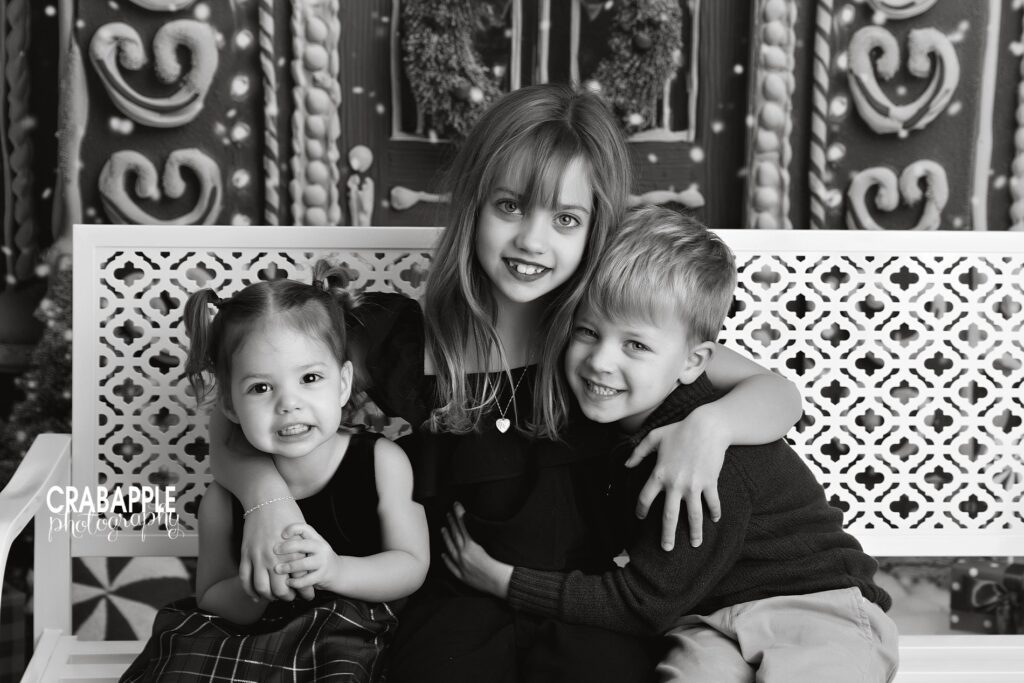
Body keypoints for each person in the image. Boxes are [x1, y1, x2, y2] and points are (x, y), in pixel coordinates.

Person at [210, 84, 803, 682]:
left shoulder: (599, 346)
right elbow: (238, 407)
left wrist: (711, 426)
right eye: (510, 207)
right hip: (452, 596)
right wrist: (267, 502)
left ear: (595, 228)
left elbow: (779, 394)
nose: (531, 242)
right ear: (474, 203)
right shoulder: (397, 340)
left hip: (586, 601)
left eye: (566, 218)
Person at [443, 204, 900, 683]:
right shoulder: (609, 409)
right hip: (706, 621)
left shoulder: (704, 463)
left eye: (635, 346)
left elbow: (642, 603)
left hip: (817, 610)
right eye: (587, 331)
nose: (600, 361)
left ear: (693, 361)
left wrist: (503, 581)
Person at [122, 263, 429, 682]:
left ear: (342, 384)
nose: (289, 403)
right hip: (250, 639)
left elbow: (411, 565)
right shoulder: (222, 500)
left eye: (310, 378)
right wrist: (254, 589)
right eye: (261, 388)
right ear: (230, 406)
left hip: (348, 633)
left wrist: (336, 571)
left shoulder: (381, 462)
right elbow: (209, 594)